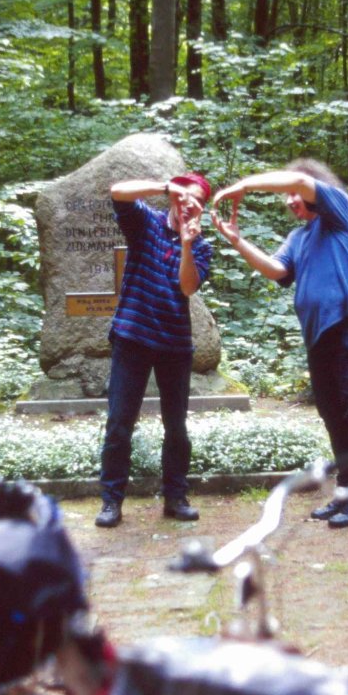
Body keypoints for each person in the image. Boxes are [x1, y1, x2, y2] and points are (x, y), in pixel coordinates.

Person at [211, 159, 348, 529]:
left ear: (314, 188)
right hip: (320, 332)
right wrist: (236, 240)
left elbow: (297, 179)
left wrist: (244, 185)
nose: (291, 200)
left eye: (296, 194)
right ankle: (347, 493)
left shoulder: (340, 210)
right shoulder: (299, 237)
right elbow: (277, 270)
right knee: (332, 411)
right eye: (287, 196)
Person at [95, 173, 214, 529]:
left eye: (197, 200)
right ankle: (111, 501)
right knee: (119, 424)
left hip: (175, 345)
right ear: (174, 196)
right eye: (185, 195)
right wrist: (165, 187)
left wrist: (188, 244)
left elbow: (187, 287)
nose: (189, 203)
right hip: (132, 337)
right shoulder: (146, 222)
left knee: (176, 427)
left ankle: (176, 497)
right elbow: (117, 191)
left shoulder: (202, 247)